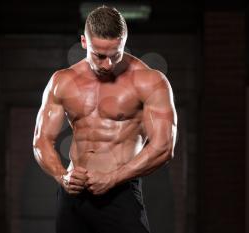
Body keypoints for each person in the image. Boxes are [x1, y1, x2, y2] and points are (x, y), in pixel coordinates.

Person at [33, 5, 177, 233]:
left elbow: (164, 147)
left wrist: (113, 178)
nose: (107, 65)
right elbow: (41, 141)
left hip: (120, 192)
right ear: (83, 42)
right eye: (99, 56)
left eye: (115, 55)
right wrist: (63, 176)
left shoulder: (149, 81)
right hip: (74, 195)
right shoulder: (63, 81)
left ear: (124, 41)